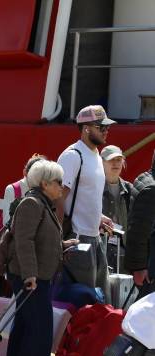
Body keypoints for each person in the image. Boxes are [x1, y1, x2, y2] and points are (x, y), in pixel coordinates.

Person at [4, 160, 77, 356]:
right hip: (32, 278)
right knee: (39, 330)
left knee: (26, 328)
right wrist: (30, 275)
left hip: (36, 276)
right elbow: (24, 241)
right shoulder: (32, 203)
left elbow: (38, 239)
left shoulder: (41, 203)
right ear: (45, 183)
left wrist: (64, 245)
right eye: (58, 182)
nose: (61, 186)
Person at [57, 105, 116, 291]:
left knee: (98, 300)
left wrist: (98, 217)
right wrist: (58, 239)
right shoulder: (73, 156)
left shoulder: (96, 155)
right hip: (76, 238)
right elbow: (58, 199)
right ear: (86, 128)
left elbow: (85, 195)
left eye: (107, 127)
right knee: (83, 301)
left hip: (95, 238)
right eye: (101, 127)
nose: (106, 131)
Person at [125, 150, 155, 292]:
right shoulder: (152, 189)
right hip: (149, 271)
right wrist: (139, 268)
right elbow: (138, 232)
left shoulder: (144, 177)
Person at [100, 145, 132, 273]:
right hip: (100, 252)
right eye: (111, 160)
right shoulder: (94, 189)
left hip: (124, 255)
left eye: (118, 160)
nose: (115, 163)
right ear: (101, 162)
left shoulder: (130, 189)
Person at [2, 154, 46, 225]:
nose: (38, 180)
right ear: (25, 172)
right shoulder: (12, 189)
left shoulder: (45, 190)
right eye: (35, 175)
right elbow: (6, 221)